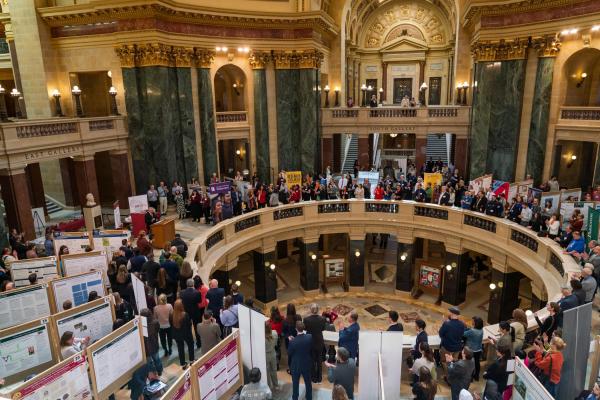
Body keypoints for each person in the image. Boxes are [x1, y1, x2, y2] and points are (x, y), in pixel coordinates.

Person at [288, 321, 313, 400]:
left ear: (296, 329)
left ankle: (295, 398)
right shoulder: (309, 337)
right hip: (306, 363)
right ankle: (309, 397)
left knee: (295, 383)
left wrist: (290, 341)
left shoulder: (293, 341)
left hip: (296, 365)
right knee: (308, 383)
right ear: (303, 328)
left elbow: (289, 353)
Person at [303, 303, 326, 383]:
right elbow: (323, 329)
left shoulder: (306, 319)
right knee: (319, 360)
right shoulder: (323, 319)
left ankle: (313, 378)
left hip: (310, 341)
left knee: (312, 360)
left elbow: (305, 329)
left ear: (310, 310)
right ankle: (319, 378)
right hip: (319, 341)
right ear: (318, 310)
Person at [439, 307, 466, 376]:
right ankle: (454, 375)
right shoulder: (462, 324)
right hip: (457, 347)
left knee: (445, 362)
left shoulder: (447, 324)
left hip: (447, 348)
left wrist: (443, 324)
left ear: (452, 313)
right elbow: (462, 334)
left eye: (449, 312)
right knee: (454, 362)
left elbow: (440, 334)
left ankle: (448, 377)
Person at [170, 299, 195, 368]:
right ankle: (192, 360)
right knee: (190, 345)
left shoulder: (171, 314)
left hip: (177, 335)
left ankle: (183, 364)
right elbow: (189, 324)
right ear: (181, 306)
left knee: (180, 348)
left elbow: (171, 324)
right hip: (186, 334)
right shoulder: (185, 315)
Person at [180, 278, 202, 347]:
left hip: (186, 313)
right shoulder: (197, 292)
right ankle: (199, 343)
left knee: (188, 328)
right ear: (193, 284)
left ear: (187, 284)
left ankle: (190, 342)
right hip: (195, 312)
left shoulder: (182, 292)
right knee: (197, 328)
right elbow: (199, 301)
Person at [140, 308, 163, 375]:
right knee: (157, 359)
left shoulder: (140, 325)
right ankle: (159, 371)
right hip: (154, 345)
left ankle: (153, 374)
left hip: (146, 348)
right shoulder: (155, 322)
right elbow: (158, 330)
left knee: (149, 363)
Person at [463, 316, 484, 381]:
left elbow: (463, 334)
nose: (472, 322)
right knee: (477, 363)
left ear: (475, 323)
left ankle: (470, 378)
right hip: (478, 349)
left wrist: (465, 326)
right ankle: (476, 376)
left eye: (473, 321)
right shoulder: (481, 330)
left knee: (470, 364)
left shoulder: (472, 331)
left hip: (471, 350)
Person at [265, 321, 279, 391]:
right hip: (273, 353)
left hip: (266, 355)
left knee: (267, 372)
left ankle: (269, 386)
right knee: (274, 370)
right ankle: (276, 385)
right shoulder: (275, 333)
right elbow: (276, 344)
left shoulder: (262, 337)